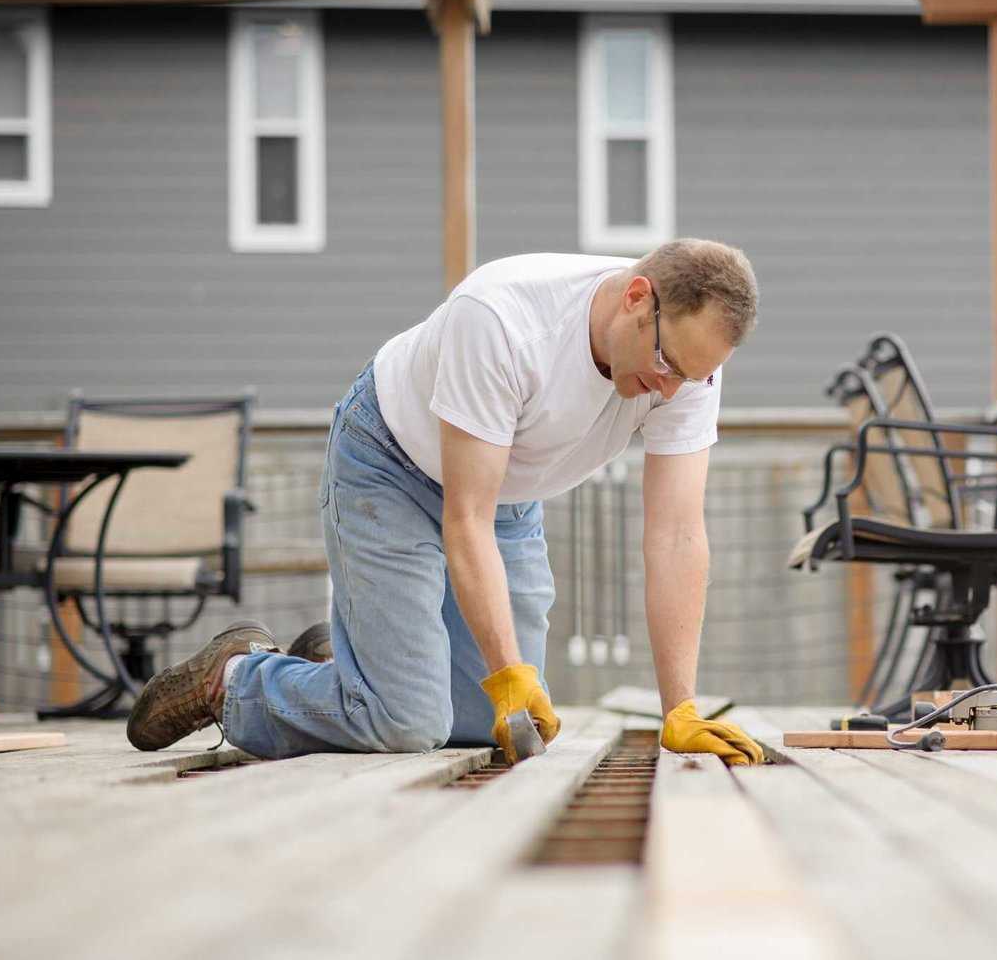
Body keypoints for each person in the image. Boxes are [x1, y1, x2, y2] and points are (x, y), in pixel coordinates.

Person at [126, 239, 765, 767]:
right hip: (390, 465)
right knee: (406, 722)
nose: (670, 389)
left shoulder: (686, 366)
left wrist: (680, 708)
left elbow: (677, 535)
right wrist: (508, 671)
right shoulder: (502, 320)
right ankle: (234, 679)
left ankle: (347, 668)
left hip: (506, 493)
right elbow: (467, 518)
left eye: (692, 376)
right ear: (636, 298)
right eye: (666, 364)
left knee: (493, 725)